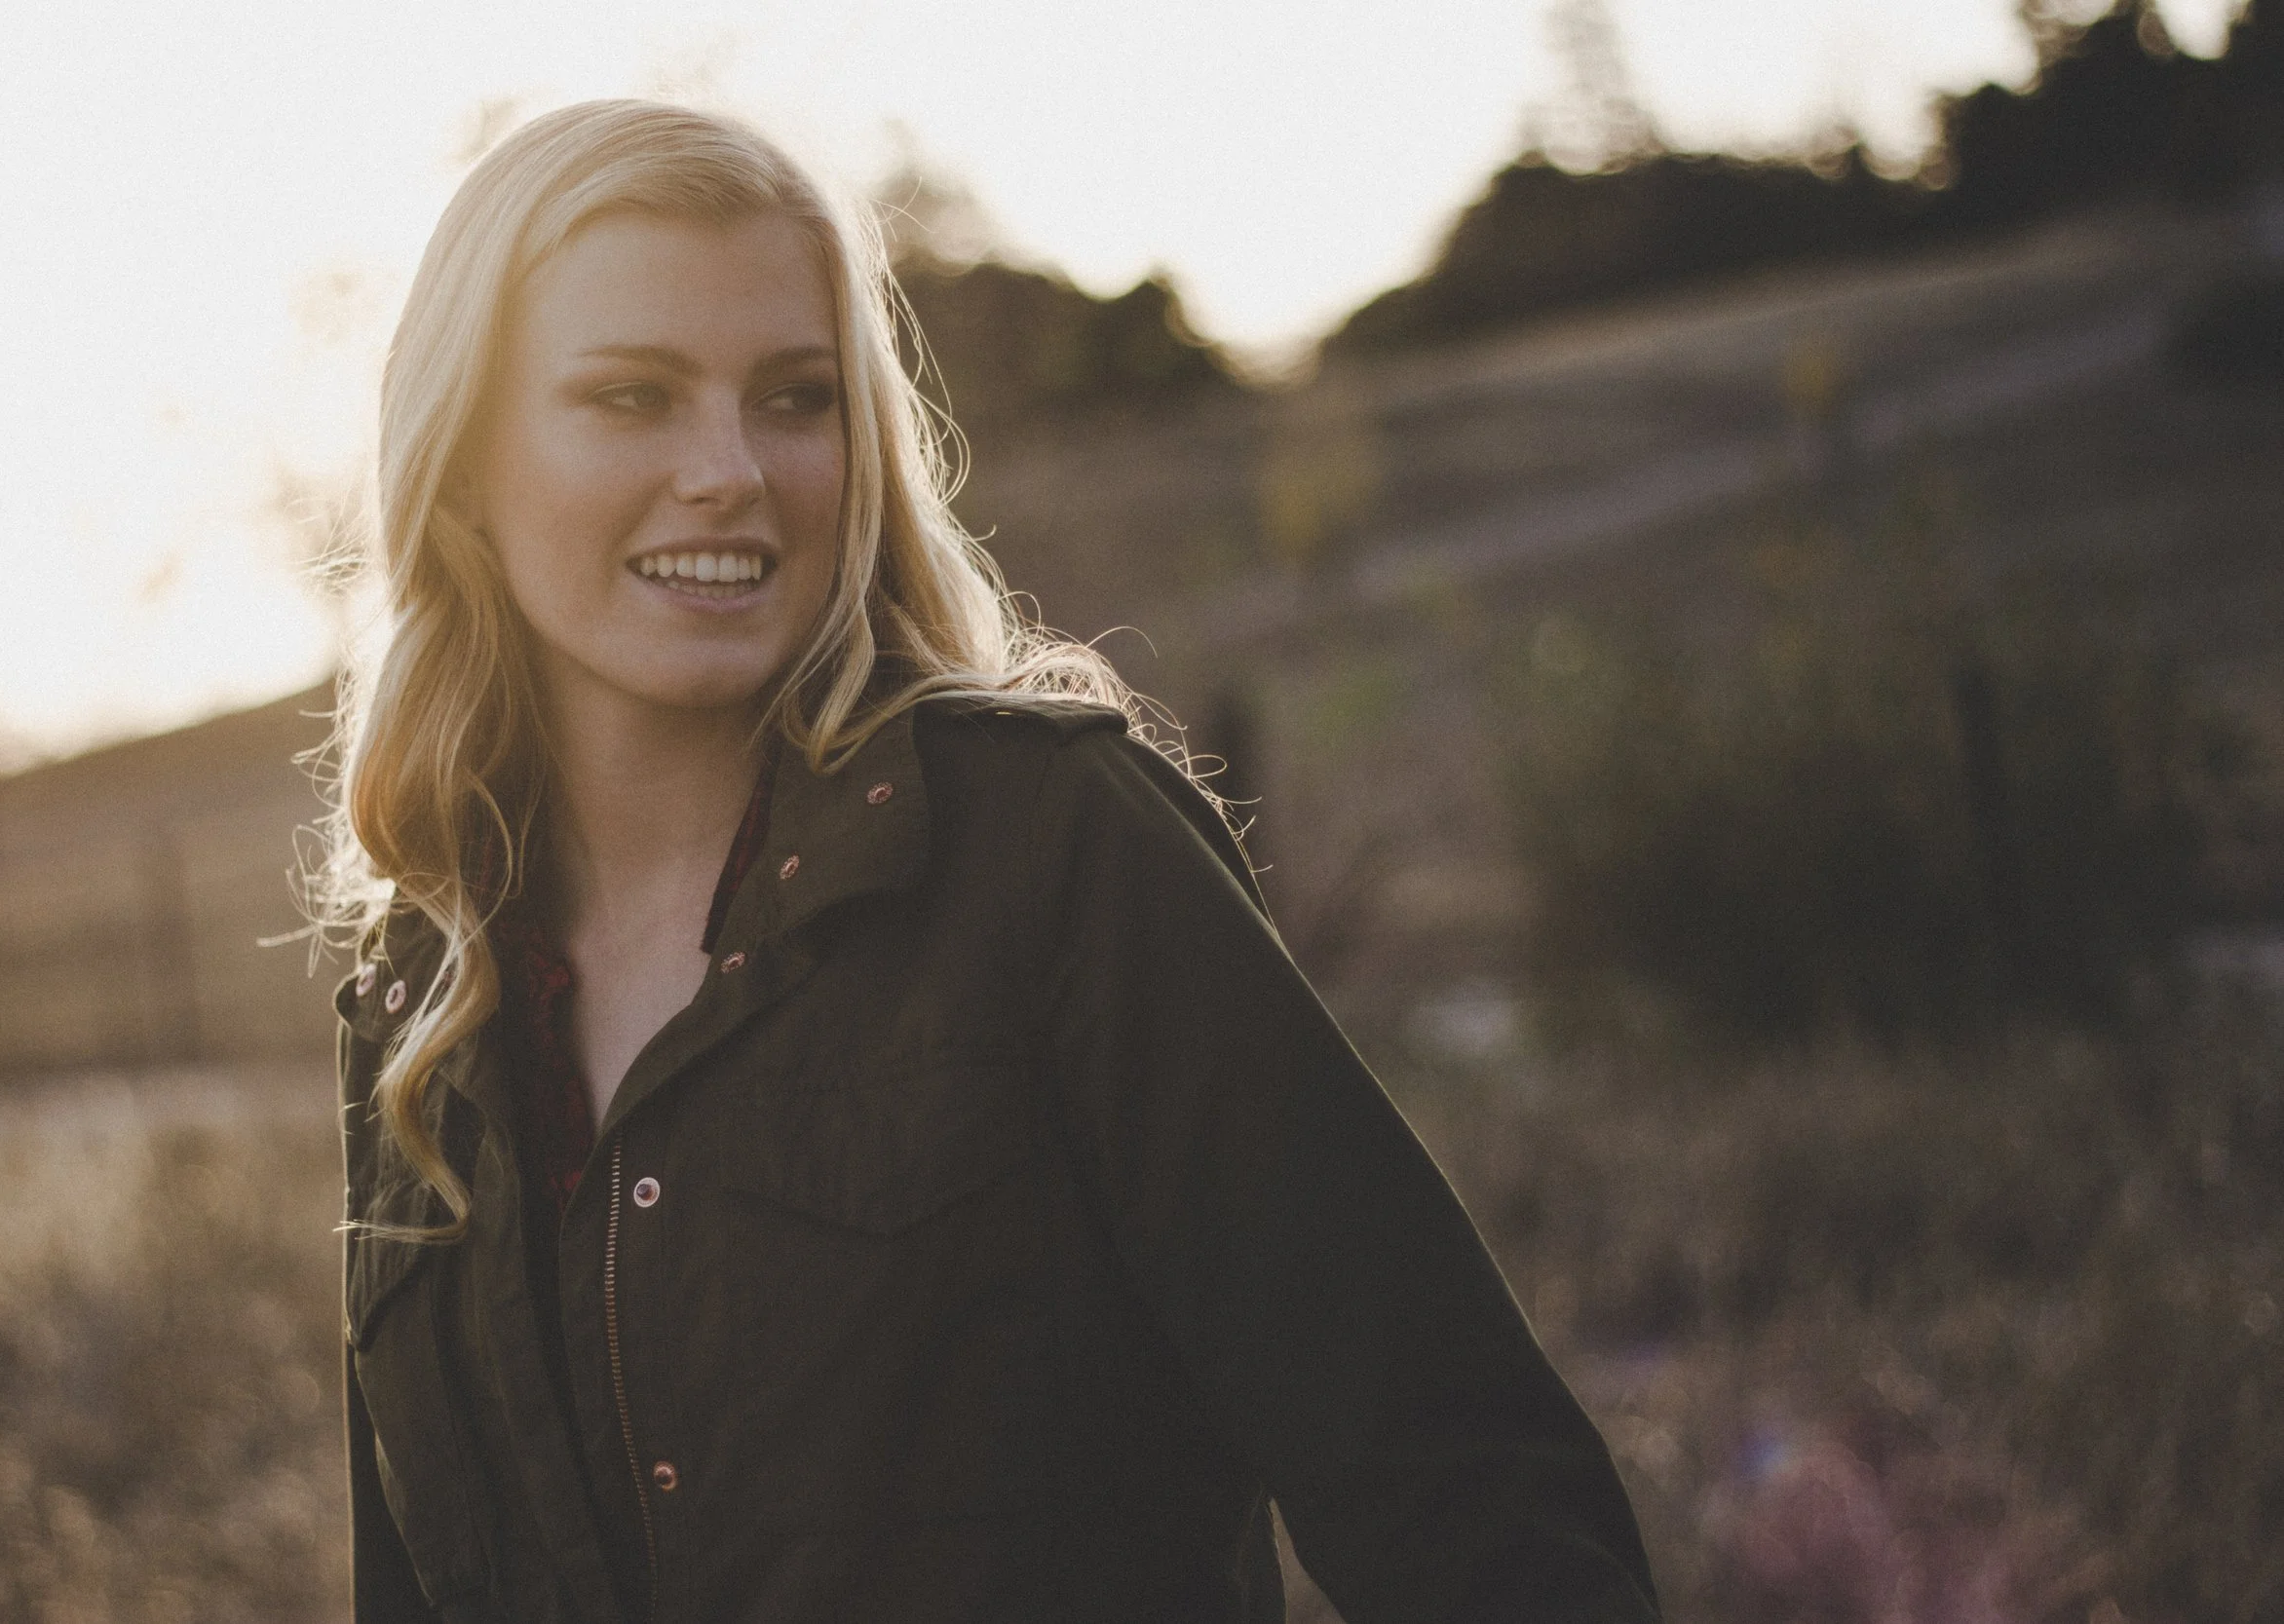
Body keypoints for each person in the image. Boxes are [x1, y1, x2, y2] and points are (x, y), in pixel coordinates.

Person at [318, 98, 1659, 1624]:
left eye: (796, 397)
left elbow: (1462, 1487)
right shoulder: (420, 997)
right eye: (633, 396)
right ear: (464, 466)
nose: (731, 470)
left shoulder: (1051, 850)